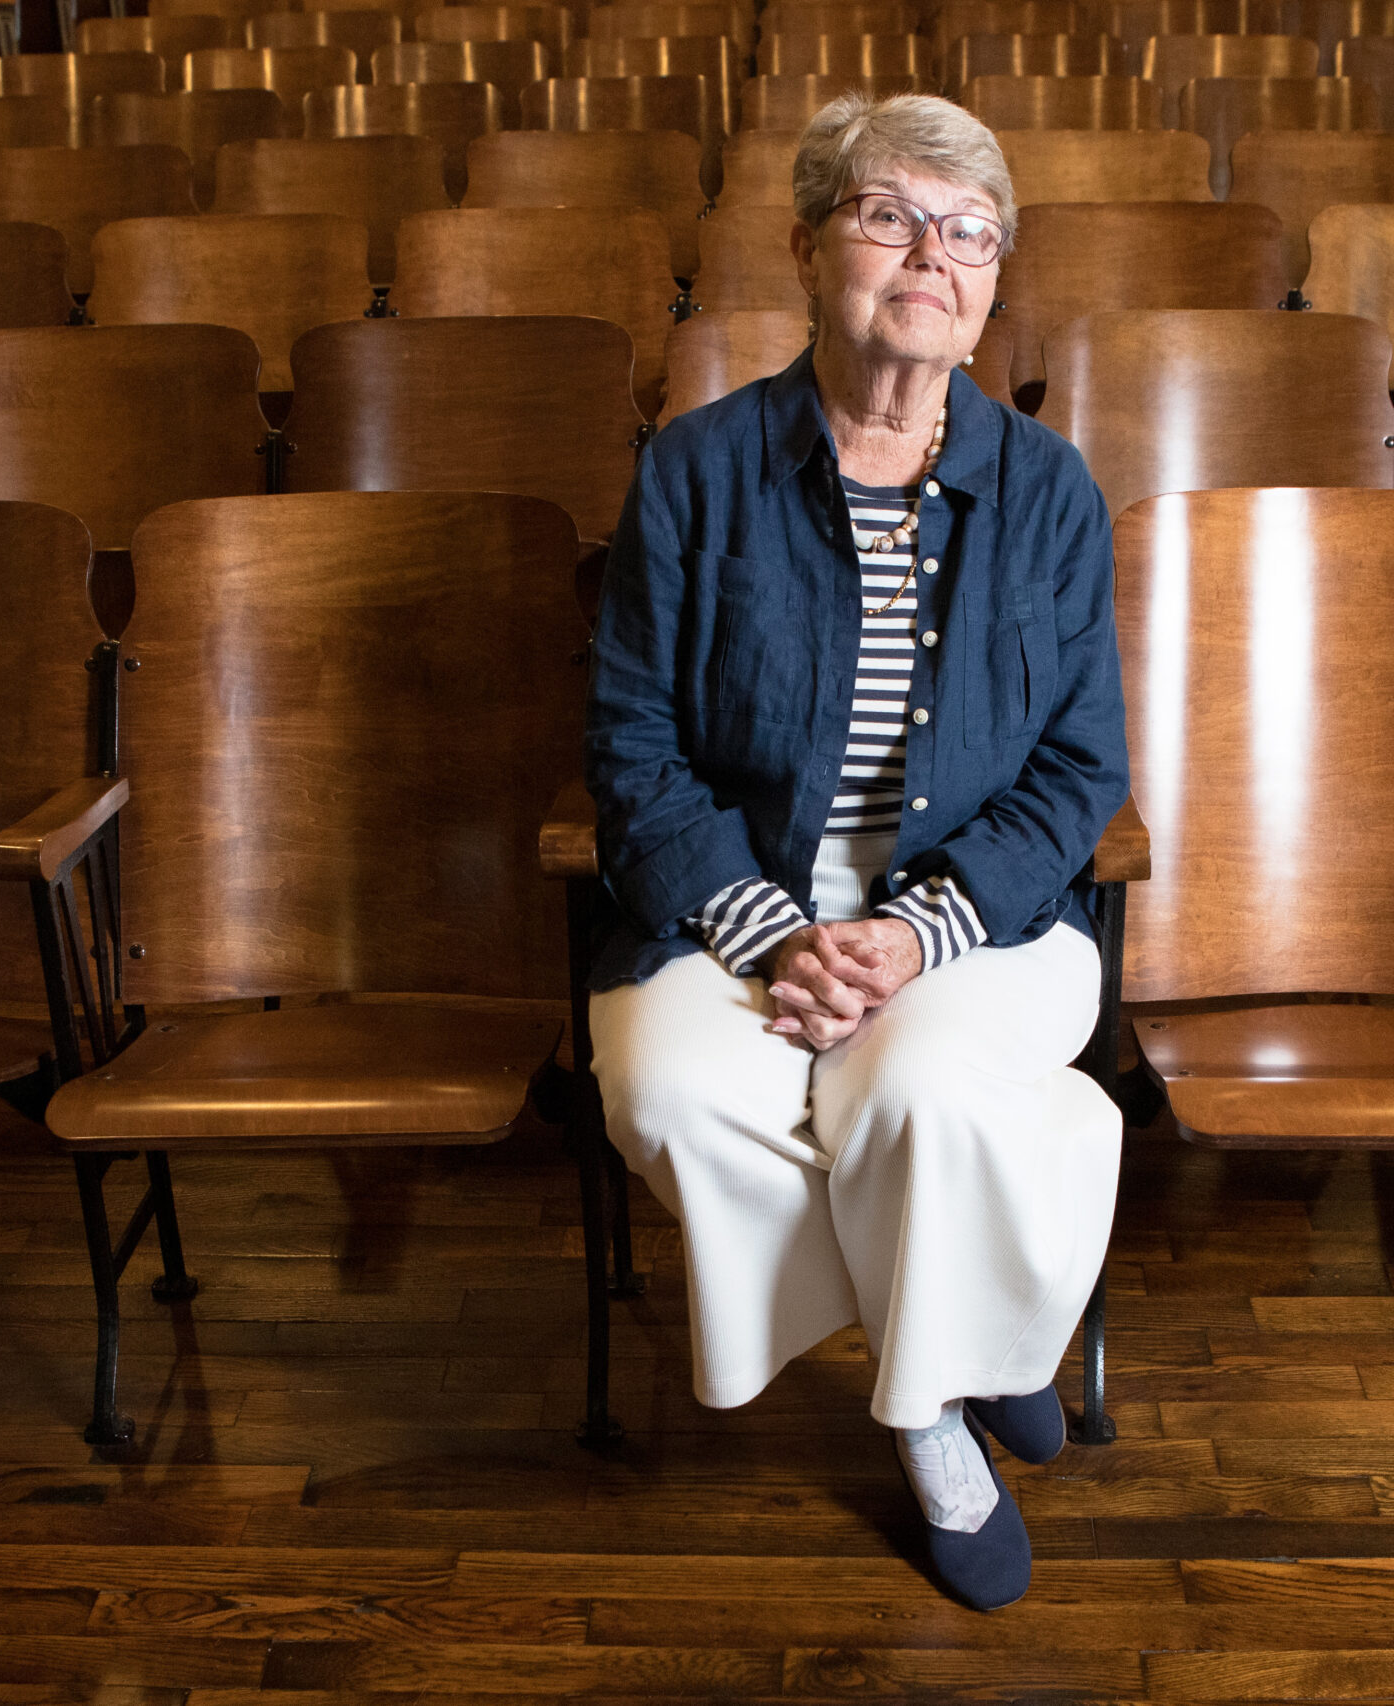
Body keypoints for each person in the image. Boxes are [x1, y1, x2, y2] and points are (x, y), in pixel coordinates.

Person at [582, 92, 1128, 1611]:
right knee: (672, 1090)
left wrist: (916, 934)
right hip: (736, 910)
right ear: (810, 244)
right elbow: (633, 747)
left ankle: (925, 1424)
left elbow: (1081, 768)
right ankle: (963, 1340)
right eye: (890, 217)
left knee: (919, 1087)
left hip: (981, 922)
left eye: (970, 233)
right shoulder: (695, 472)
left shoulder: (1050, 491)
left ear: (995, 277)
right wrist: (774, 935)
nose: (931, 255)